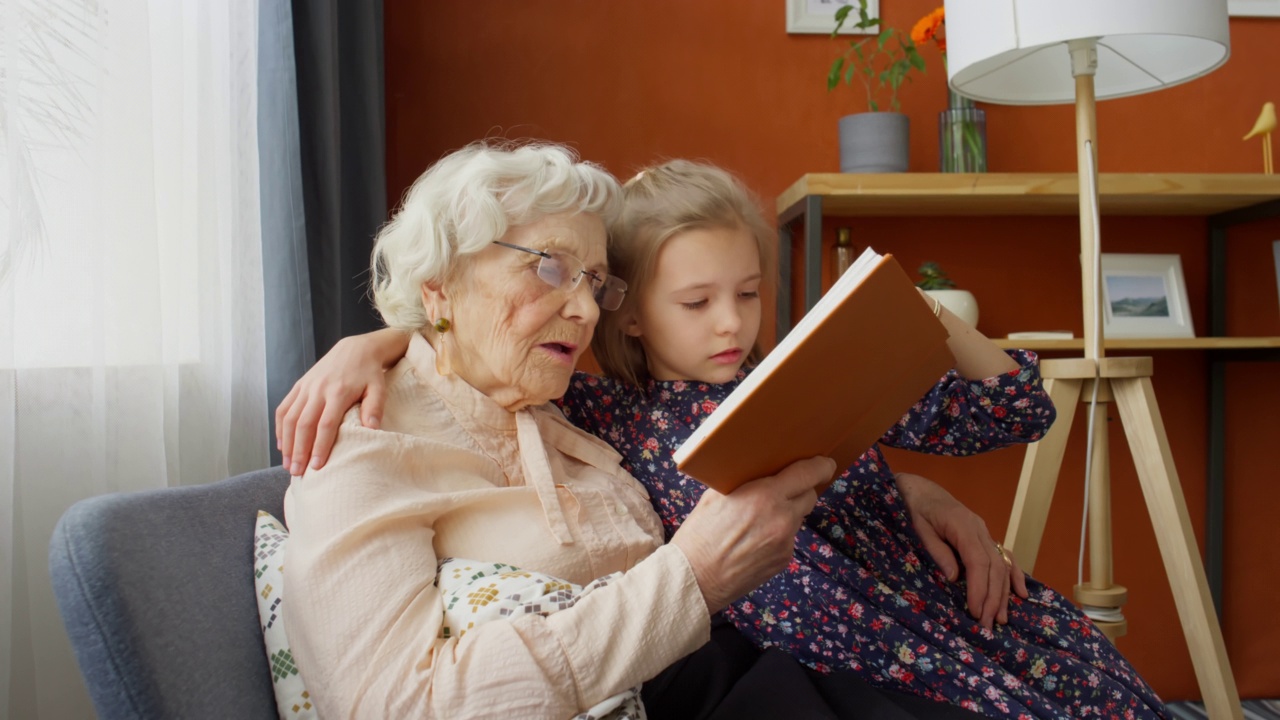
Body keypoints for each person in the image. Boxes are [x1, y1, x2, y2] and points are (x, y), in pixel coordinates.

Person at [281, 158, 1170, 720]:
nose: (586, 306)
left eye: (595, 280)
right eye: (552, 268)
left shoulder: (562, 413)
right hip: (803, 662)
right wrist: (380, 342)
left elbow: (1005, 410)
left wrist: (908, 485)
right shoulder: (565, 416)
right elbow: (393, 701)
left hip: (865, 647)